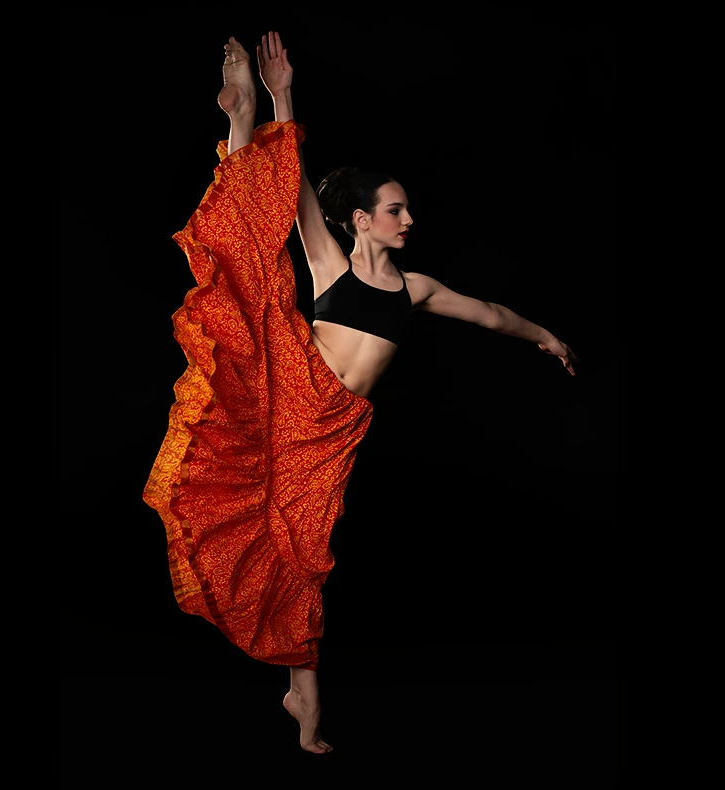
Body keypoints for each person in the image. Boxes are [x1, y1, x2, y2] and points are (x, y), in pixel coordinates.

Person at [143, 30, 579, 755]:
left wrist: (544, 336)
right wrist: (284, 94)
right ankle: (241, 119)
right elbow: (296, 181)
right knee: (250, 267)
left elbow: (491, 314)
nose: (408, 220)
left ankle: (299, 697)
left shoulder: (417, 289)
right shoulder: (330, 262)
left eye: (407, 211)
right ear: (361, 218)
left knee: (303, 551)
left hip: (333, 429)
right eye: (395, 209)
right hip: (291, 392)